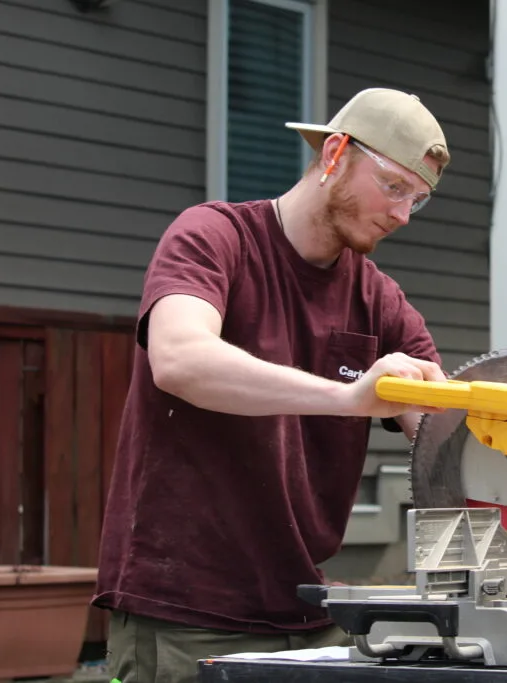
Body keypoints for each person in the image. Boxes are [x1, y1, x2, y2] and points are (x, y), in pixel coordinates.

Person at [93, 87, 451, 683]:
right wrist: (347, 398)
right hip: (187, 616)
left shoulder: (379, 300)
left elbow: (449, 442)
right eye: (393, 186)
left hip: (311, 613)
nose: (402, 215)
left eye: (418, 199)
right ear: (334, 153)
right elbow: (179, 359)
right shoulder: (215, 236)